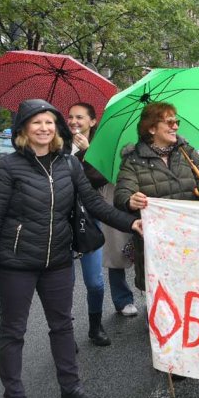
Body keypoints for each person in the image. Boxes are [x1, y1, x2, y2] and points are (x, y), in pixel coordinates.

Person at [0, 99, 141, 398]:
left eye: (49, 122)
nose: (44, 128)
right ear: (22, 128)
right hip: (15, 264)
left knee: (63, 325)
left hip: (58, 262)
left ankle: (70, 385)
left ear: (57, 128)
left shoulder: (69, 165)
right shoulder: (6, 168)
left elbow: (94, 203)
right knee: (13, 332)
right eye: (36, 122)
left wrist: (129, 222)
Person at [114, 102, 199, 293]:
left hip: (191, 239)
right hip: (158, 246)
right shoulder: (133, 159)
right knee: (162, 299)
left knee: (194, 294)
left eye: (176, 121)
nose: (176, 127)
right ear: (152, 128)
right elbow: (122, 194)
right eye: (170, 122)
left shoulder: (186, 152)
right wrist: (130, 200)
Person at [68, 103, 139, 323]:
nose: (74, 121)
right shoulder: (59, 144)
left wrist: (87, 152)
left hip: (102, 203)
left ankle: (122, 299)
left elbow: (101, 176)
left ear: (92, 121)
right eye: (70, 117)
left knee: (117, 248)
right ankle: (63, 311)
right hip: (70, 210)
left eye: (80, 117)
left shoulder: (103, 143)